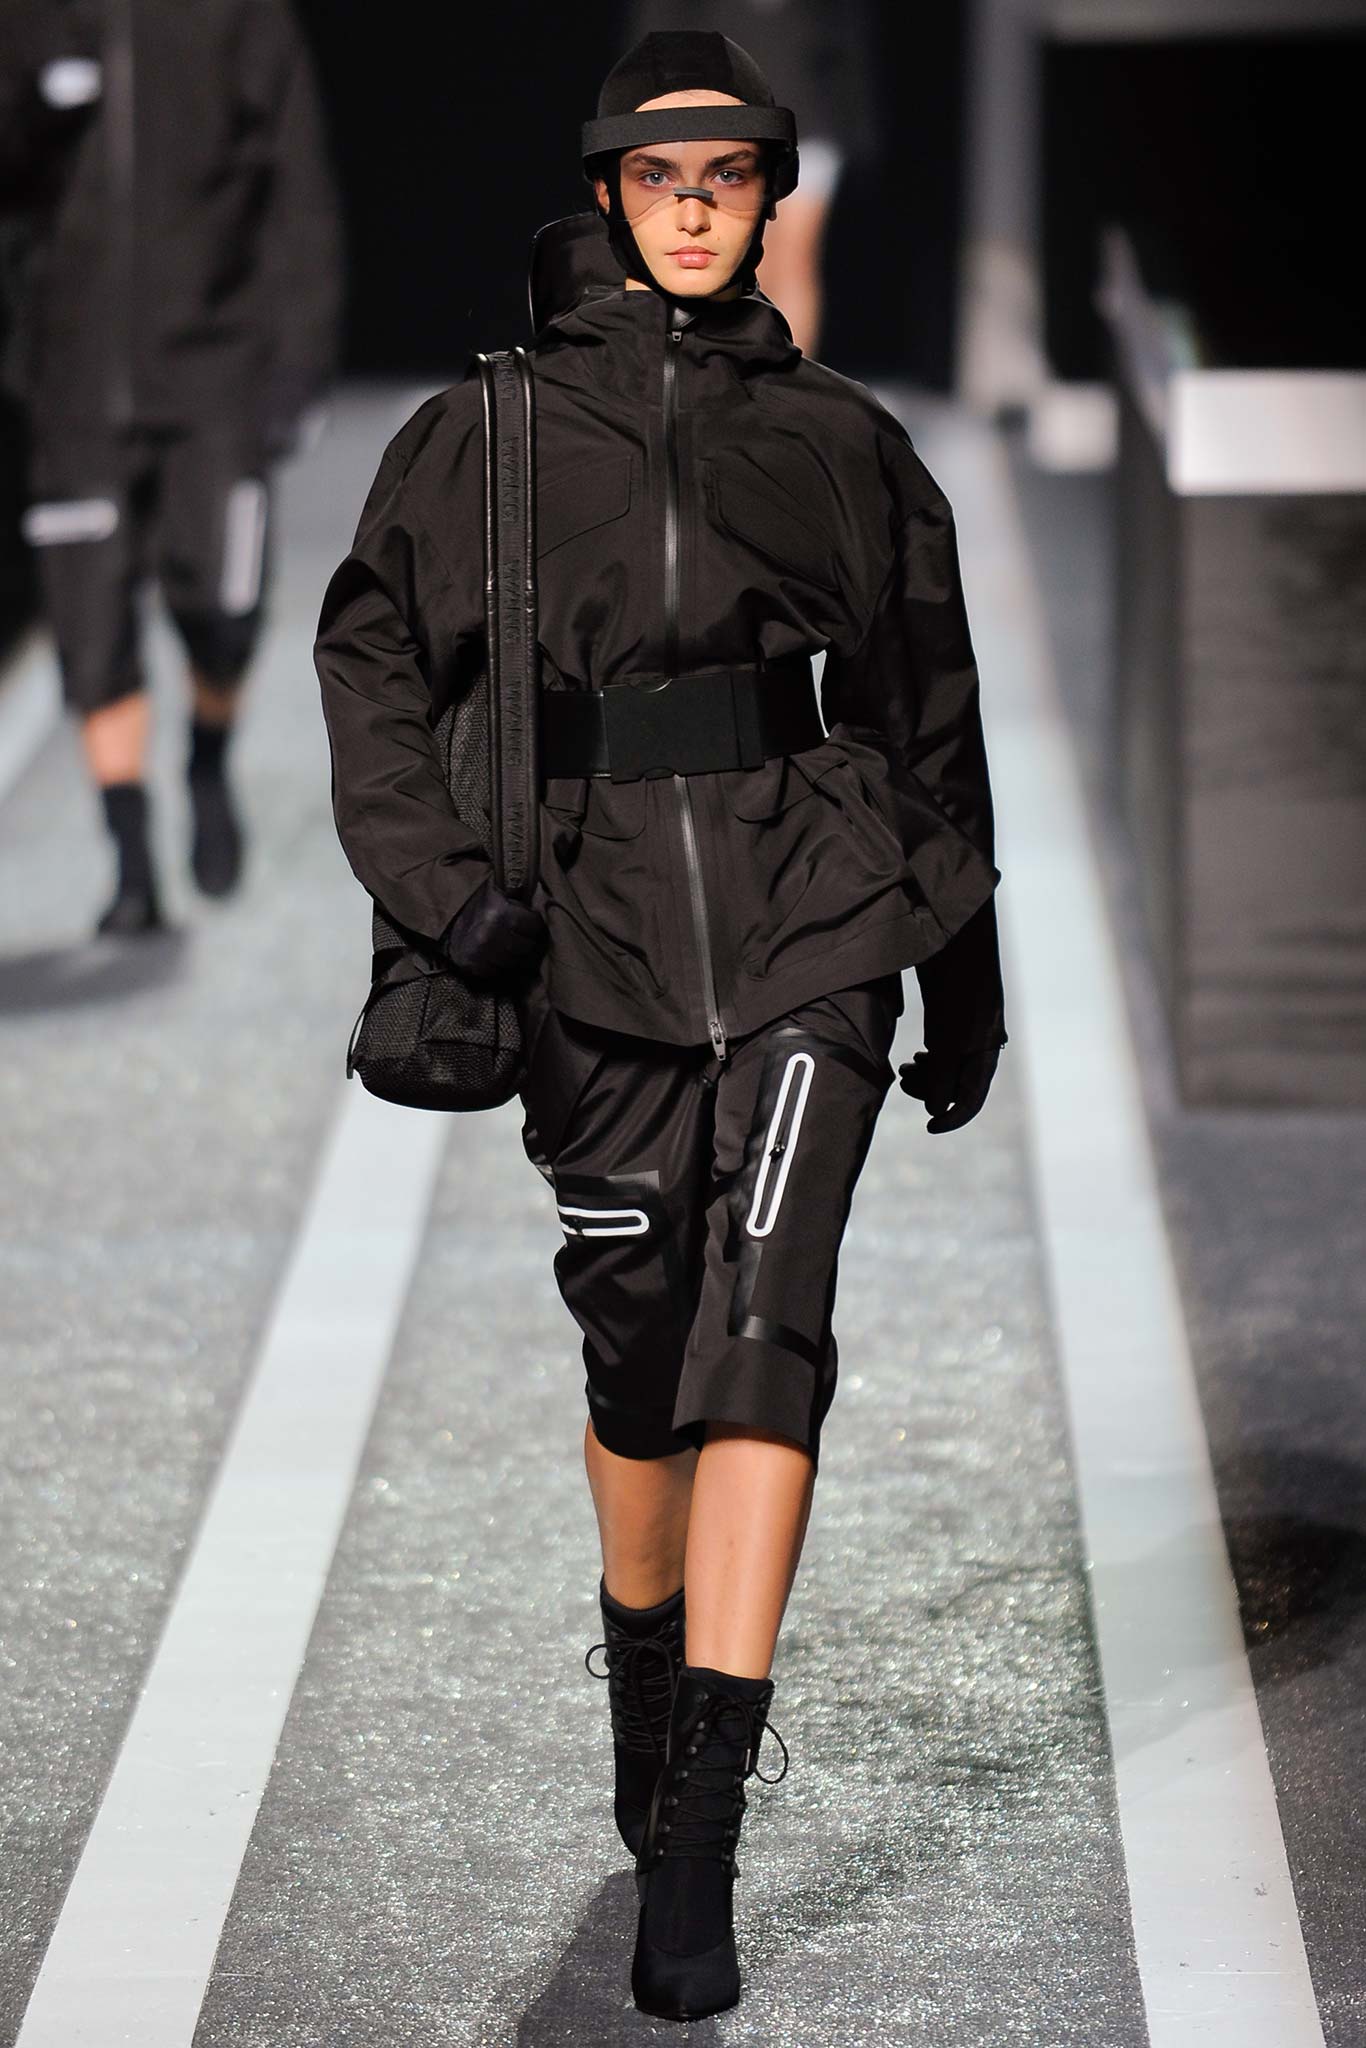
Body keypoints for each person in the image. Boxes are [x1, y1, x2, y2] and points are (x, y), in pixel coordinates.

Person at [316, 31, 1006, 2024]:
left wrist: (961, 966)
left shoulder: (847, 443)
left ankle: (698, 1825)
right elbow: (371, 671)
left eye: (727, 178)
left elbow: (926, 706)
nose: (694, 210)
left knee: (765, 1329)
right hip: (585, 940)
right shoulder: (487, 432)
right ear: (612, 196)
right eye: (659, 178)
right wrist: (445, 892)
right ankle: (644, 1664)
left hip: (814, 920)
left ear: (770, 195)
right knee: (639, 1369)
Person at [0, 0, 342, 934]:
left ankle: (207, 760)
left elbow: (296, 183)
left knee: (223, 607)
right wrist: (29, 113)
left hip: (215, 371)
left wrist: (300, 361)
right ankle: (131, 865)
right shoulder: (32, 16)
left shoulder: (239, 14)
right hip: (73, 378)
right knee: (90, 623)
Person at [627, 0, 878, 356]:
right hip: (722, 133)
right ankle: (729, 369)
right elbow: (658, 44)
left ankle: (787, 375)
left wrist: (858, 137)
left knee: (794, 259)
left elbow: (847, 51)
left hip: (808, 128)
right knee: (732, 258)